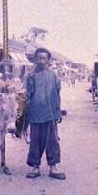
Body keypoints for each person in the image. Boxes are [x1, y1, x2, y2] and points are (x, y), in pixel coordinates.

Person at [25, 47, 65, 180]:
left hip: (50, 114)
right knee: (35, 142)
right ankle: (35, 168)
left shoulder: (53, 75)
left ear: (48, 61)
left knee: (52, 142)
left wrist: (58, 111)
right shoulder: (30, 76)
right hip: (35, 114)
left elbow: (57, 94)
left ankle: (53, 168)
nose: (41, 61)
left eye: (44, 58)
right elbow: (27, 96)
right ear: (35, 60)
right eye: (38, 58)